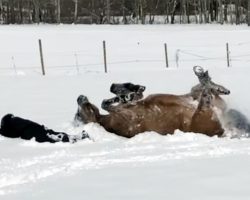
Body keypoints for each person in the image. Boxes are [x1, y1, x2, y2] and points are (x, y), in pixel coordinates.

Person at [0, 114, 89, 143]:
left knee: (49, 138)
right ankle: (78, 137)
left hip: (30, 132)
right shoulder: (15, 119)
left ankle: (68, 139)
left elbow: (11, 134)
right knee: (52, 133)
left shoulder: (8, 124)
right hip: (38, 127)